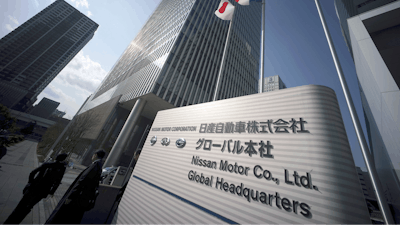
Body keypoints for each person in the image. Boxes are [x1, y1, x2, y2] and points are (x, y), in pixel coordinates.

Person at [3, 153, 68, 224]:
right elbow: (57, 182)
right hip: (43, 192)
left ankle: (9, 222)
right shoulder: (62, 169)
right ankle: (17, 222)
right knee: (28, 207)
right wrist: (52, 192)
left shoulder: (46, 164)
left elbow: (32, 173)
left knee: (20, 207)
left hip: (33, 188)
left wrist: (30, 182)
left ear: (57, 157)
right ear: (63, 159)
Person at [45, 149, 106, 224]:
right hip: (82, 199)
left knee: (61, 216)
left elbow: (82, 181)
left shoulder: (94, 166)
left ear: (95, 155)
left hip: (77, 198)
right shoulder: (99, 166)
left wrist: (71, 196)